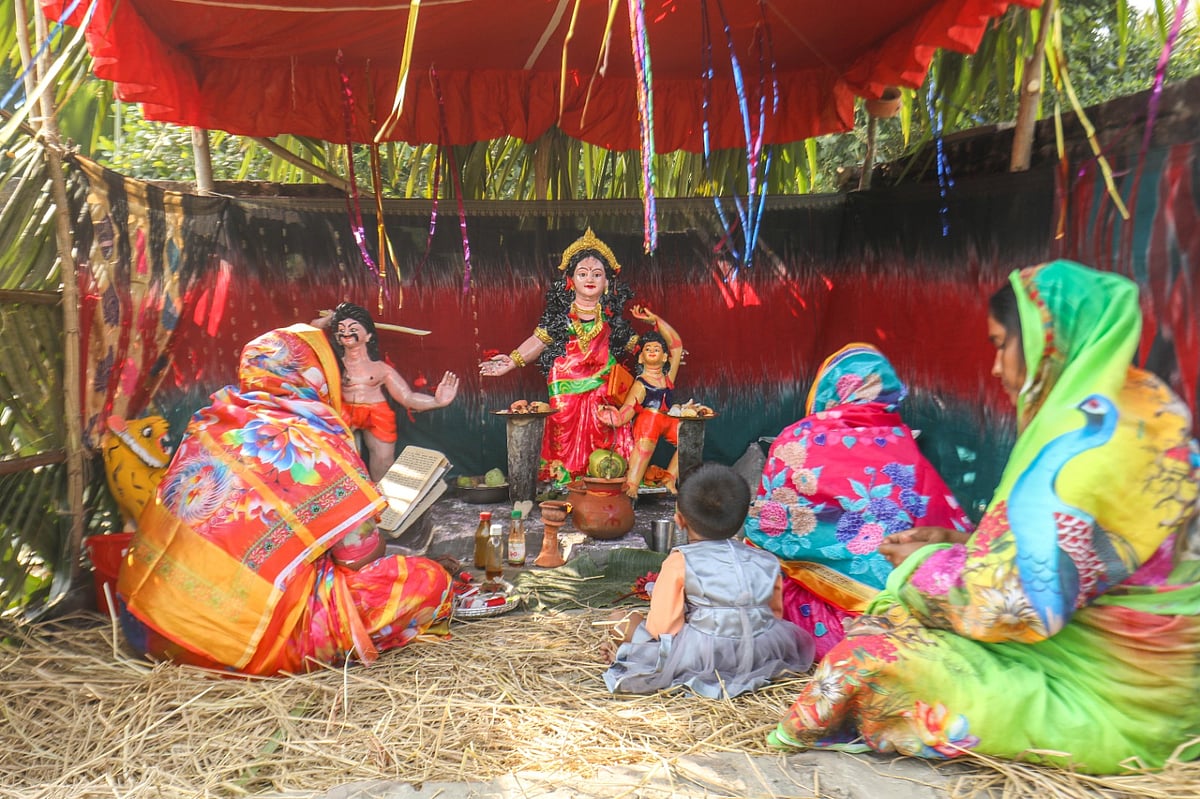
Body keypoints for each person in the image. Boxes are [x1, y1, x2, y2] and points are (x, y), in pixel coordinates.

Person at [768, 260, 1200, 774]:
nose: (995, 367)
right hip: (1155, 673)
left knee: (862, 664)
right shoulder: (1147, 409)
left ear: (1047, 342)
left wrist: (922, 560)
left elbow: (1014, 604)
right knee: (885, 621)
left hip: (1121, 698)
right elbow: (1070, 557)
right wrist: (960, 542)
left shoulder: (1089, 450)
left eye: (999, 344)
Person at [117, 324, 455, 676]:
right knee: (426, 581)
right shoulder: (318, 442)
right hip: (228, 646)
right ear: (316, 374)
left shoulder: (211, 423)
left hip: (143, 625)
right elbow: (356, 556)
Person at [742, 343, 974, 660]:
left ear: (829, 387)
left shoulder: (797, 436)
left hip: (805, 622)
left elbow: (763, 528)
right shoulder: (903, 443)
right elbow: (943, 525)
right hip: (892, 618)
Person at [602, 463, 815, 698]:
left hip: (701, 655)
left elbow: (662, 628)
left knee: (618, 620)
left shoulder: (681, 561)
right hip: (761, 651)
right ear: (743, 518)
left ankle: (629, 656)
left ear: (679, 520)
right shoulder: (766, 559)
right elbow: (774, 614)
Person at [480, 228, 637, 484]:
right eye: (582, 273)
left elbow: (636, 346)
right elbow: (539, 341)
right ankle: (563, 482)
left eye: (597, 274)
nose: (590, 279)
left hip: (602, 385)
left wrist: (662, 356)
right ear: (570, 280)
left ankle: (601, 480)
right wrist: (511, 360)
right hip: (565, 384)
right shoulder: (560, 317)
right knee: (561, 429)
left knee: (603, 427)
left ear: (607, 282)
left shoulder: (611, 318)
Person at [315, 302, 459, 482]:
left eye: (353, 328)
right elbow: (308, 335)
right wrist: (329, 319)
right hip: (343, 412)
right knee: (338, 460)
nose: (346, 332)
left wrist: (436, 402)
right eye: (341, 328)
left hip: (376, 412)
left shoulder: (380, 369)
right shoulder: (333, 363)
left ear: (367, 336)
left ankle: (384, 501)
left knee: (383, 461)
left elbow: (407, 397)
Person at [597, 308, 684, 497]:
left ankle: (670, 478)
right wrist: (613, 416)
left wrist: (656, 320)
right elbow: (627, 410)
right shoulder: (640, 384)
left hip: (669, 419)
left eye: (657, 349)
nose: (652, 351)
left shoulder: (668, 376)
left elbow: (676, 345)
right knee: (644, 448)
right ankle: (632, 485)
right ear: (641, 357)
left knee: (688, 438)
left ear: (664, 357)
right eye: (648, 349)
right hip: (648, 421)